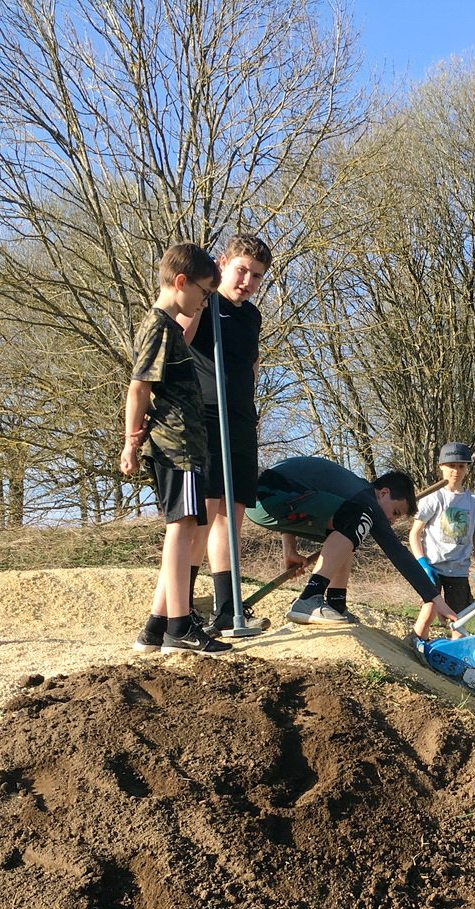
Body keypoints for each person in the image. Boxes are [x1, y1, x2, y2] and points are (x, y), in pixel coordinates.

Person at [121, 243, 231, 656]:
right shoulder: (155, 327)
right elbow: (138, 387)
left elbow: (185, 330)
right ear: (181, 282)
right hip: (176, 446)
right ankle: (179, 628)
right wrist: (131, 443)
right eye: (203, 292)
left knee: (185, 529)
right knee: (181, 531)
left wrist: (200, 305)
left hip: (186, 445)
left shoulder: (170, 327)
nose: (206, 300)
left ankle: (155, 628)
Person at [249, 455, 460, 636]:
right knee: (359, 518)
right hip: (266, 493)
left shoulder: (352, 491)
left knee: (349, 532)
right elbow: (397, 552)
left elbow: (297, 487)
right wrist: (433, 597)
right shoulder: (364, 497)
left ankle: (336, 604)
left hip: (269, 501)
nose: (392, 521)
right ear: (384, 492)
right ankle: (308, 598)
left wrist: (290, 550)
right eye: (395, 512)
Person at [182, 233, 272, 632]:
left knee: (232, 517)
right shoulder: (204, 302)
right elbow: (177, 343)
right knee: (203, 515)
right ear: (222, 263)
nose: (247, 282)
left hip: (239, 420)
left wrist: (251, 410)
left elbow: (251, 364)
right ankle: (180, 609)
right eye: (242, 270)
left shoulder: (251, 316)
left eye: (256, 276)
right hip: (204, 416)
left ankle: (226, 608)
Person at [410, 441, 475, 614]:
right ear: (441, 466)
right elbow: (414, 534)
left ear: (467, 468)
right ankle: (417, 639)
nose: (456, 471)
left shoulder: (474, 502)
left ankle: (457, 640)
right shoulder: (433, 498)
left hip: (459, 571)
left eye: (461, 466)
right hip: (433, 567)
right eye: (451, 466)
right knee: (429, 611)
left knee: (459, 617)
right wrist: (423, 564)